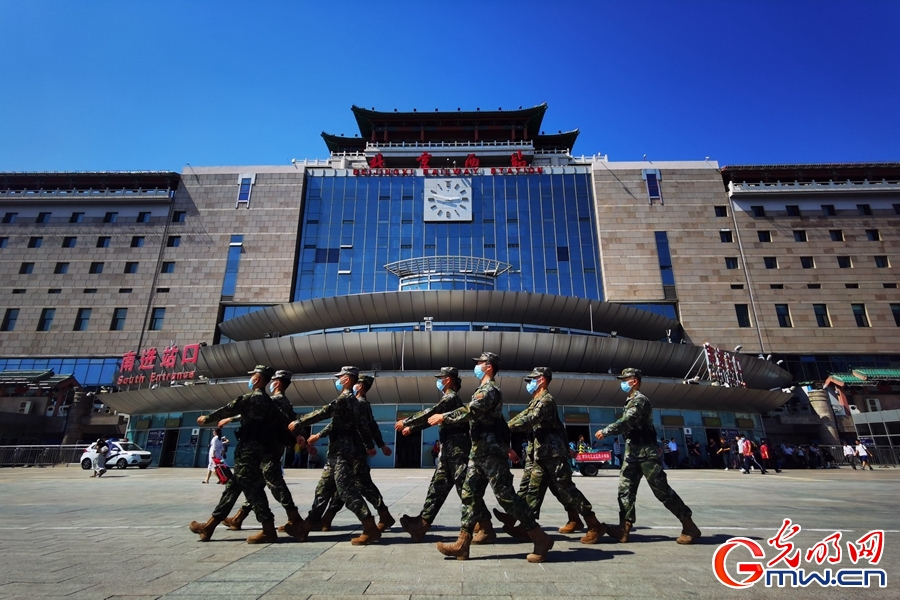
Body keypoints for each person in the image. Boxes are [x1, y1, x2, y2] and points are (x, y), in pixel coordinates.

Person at [427, 352, 553, 562]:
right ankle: (462, 544)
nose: (476, 366)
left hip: (491, 454)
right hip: (478, 452)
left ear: (489, 367)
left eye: (480, 363)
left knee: (506, 498)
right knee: (469, 494)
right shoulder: (482, 389)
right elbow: (495, 423)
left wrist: (445, 416)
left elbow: (471, 411)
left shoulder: (490, 390)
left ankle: (540, 537)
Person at [189, 365, 299, 543]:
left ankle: (269, 528)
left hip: (248, 453)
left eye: (252, 377)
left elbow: (228, 409)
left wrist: (207, 419)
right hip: (259, 452)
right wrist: (299, 435)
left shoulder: (251, 399)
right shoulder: (270, 403)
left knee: (254, 490)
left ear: (256, 379)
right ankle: (209, 527)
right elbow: (285, 420)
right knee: (234, 488)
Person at [498, 367, 607, 544]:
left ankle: (594, 525)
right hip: (542, 455)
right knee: (534, 490)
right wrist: (502, 428)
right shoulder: (536, 401)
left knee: (567, 489)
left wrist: (503, 429)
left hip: (554, 455)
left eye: (532, 380)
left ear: (541, 380)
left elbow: (529, 420)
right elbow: (521, 416)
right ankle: (528, 527)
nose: (529, 384)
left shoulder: (546, 401)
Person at [594, 368, 701, 545]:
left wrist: (605, 431)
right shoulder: (630, 400)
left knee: (662, 491)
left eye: (625, 379)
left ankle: (689, 526)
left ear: (634, 381)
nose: (622, 382)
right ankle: (624, 529)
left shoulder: (640, 400)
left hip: (646, 453)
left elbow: (628, 421)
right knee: (625, 491)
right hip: (632, 453)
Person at [396, 367, 491, 543]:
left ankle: (485, 526)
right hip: (448, 452)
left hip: (457, 452)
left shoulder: (450, 398)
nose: (438, 381)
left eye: (441, 378)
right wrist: (413, 428)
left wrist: (407, 421)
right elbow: (432, 420)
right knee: (437, 487)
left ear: (448, 380)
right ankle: (422, 525)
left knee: (466, 489)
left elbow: (431, 414)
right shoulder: (449, 399)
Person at [288, 366, 381, 545]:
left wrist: (299, 422)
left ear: (347, 380)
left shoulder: (345, 400)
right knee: (322, 491)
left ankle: (370, 527)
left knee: (347, 491)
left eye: (340, 378)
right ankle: (305, 528)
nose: (337, 380)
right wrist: (370, 446)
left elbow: (323, 412)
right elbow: (363, 428)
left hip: (342, 453)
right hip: (336, 454)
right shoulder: (355, 403)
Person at [219, 370, 307, 537]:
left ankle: (294, 518)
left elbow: (255, 412)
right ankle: (238, 518)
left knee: (273, 483)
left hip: (268, 449)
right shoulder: (285, 402)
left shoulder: (275, 400)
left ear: (277, 383)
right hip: (270, 448)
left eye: (272, 380)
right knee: (257, 483)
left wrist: (231, 418)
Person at [310, 374, 395, 532]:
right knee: (344, 484)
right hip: (355, 450)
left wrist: (318, 435)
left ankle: (382, 515)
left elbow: (343, 425)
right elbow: (373, 426)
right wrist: (380, 445)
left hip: (353, 450)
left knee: (356, 484)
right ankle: (326, 519)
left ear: (360, 386)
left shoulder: (357, 404)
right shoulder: (362, 404)